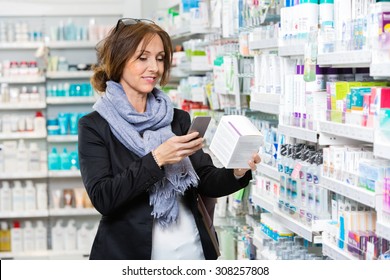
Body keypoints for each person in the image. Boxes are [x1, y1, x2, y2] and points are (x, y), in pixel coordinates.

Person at [78, 18, 261, 260]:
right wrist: (157, 159)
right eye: (143, 58)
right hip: (130, 256)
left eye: (160, 58)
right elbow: (104, 198)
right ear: (119, 61)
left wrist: (237, 171)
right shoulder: (94, 126)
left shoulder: (178, 119)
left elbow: (205, 180)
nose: (154, 67)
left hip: (192, 252)